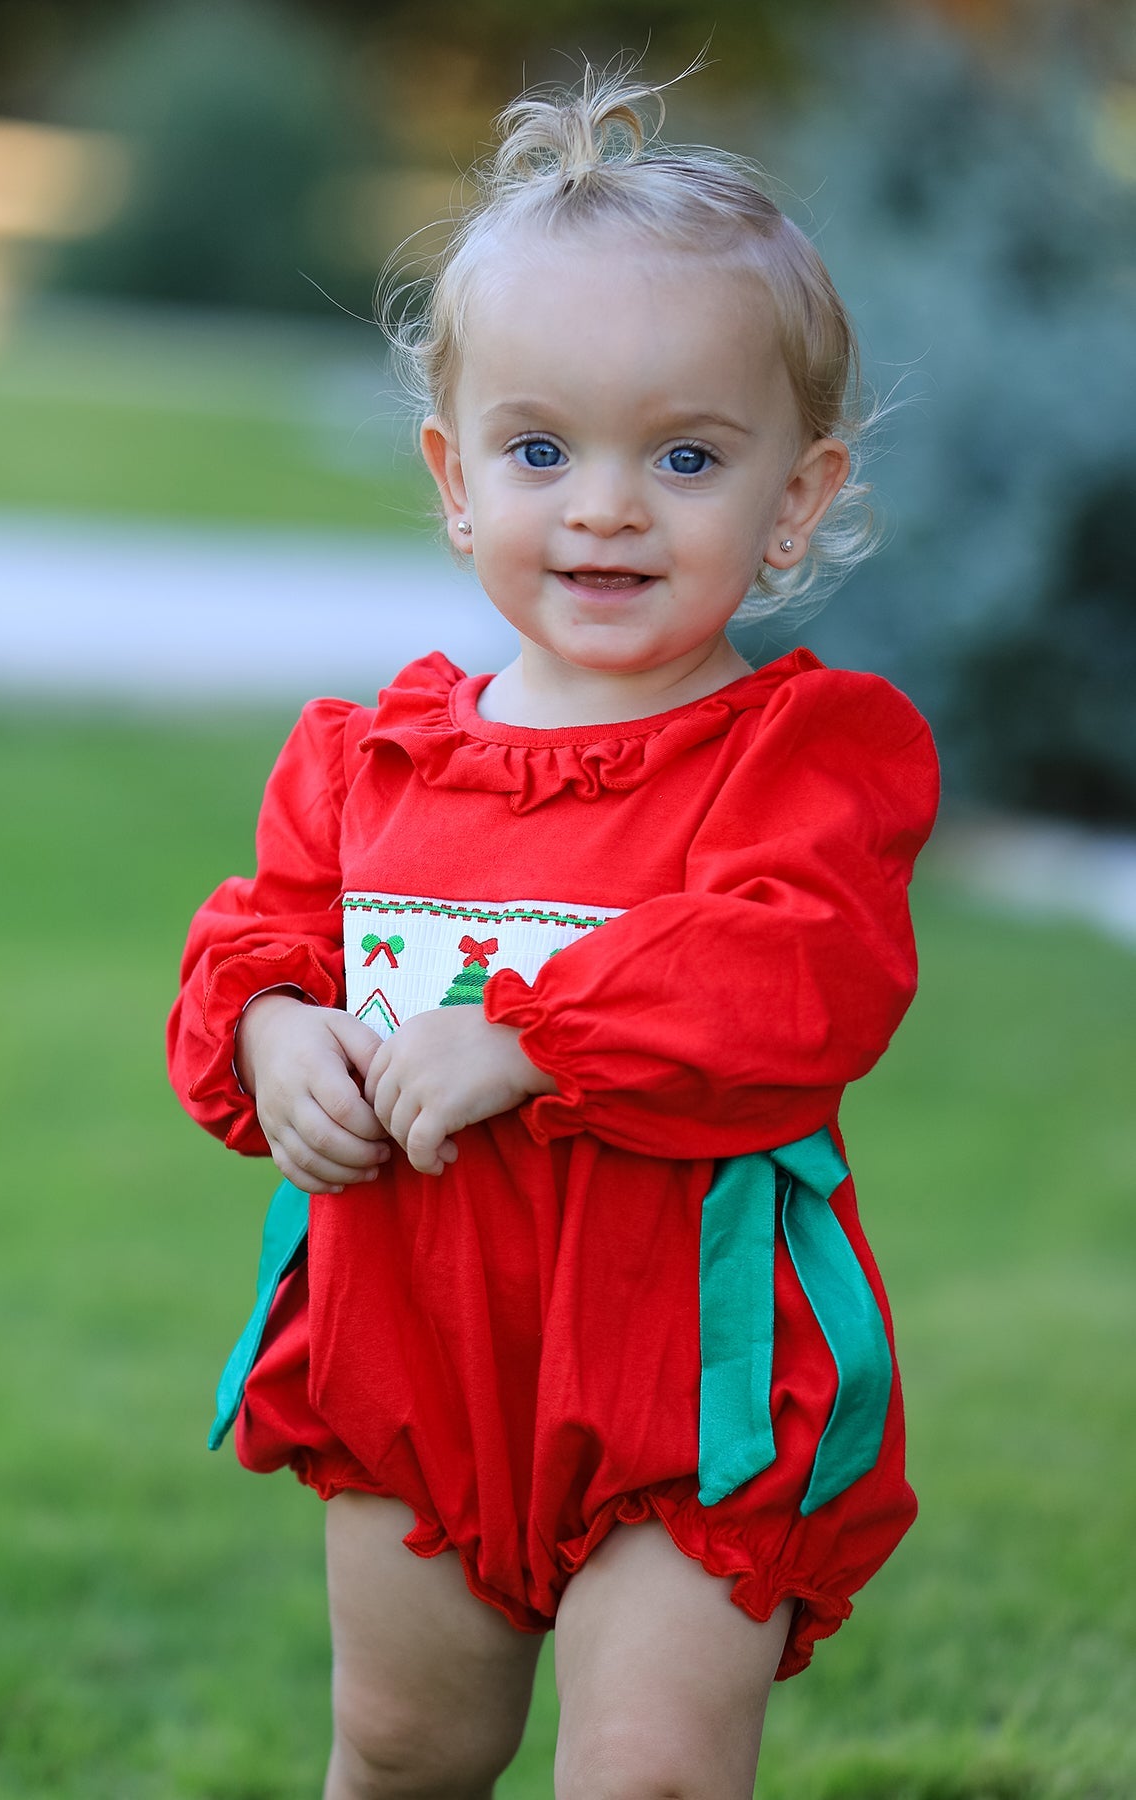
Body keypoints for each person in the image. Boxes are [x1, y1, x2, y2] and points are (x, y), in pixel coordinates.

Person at [168, 64, 939, 1800]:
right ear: (454, 476)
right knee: (401, 1746)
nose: (602, 504)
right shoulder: (372, 759)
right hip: (411, 1348)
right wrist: (278, 1039)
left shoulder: (797, 760)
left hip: (685, 1364)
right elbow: (258, 947)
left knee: (648, 1769)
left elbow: (798, 971)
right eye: (539, 449)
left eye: (683, 455)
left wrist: (527, 1033)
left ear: (796, 499)